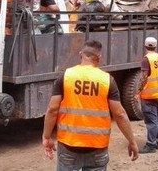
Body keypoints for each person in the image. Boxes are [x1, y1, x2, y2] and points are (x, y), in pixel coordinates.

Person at [42, 40, 139, 170]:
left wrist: (47, 137)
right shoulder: (107, 80)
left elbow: (52, 109)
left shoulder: (66, 76)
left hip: (69, 145)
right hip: (97, 147)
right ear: (99, 59)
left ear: (80, 55)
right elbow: (120, 114)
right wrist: (132, 141)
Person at [138, 37, 158, 153]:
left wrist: (138, 91)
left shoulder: (146, 59)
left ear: (145, 46)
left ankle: (150, 145)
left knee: (151, 121)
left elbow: (144, 77)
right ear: (155, 46)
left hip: (148, 94)